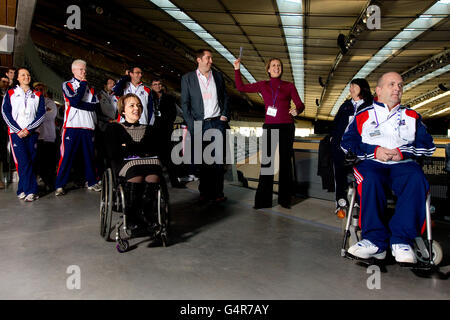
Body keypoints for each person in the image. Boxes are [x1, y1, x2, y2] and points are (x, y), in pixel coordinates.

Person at [341, 72, 436, 264]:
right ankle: (374, 240)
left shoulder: (412, 116)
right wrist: (373, 151)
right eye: (391, 84)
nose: (397, 88)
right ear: (378, 90)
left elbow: (428, 146)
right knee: (371, 178)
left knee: (416, 179)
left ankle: (401, 240)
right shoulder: (363, 115)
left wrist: (404, 152)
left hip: (403, 164)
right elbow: (346, 143)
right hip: (372, 163)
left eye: (400, 85)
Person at [234, 57, 305, 209]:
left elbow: (300, 103)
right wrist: (237, 69)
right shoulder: (263, 85)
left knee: (285, 163)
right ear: (268, 69)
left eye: (279, 65)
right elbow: (240, 87)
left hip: (287, 126)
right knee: (267, 164)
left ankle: (285, 200)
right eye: (273, 65)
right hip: (270, 126)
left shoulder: (289, 86)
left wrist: (297, 110)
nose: (276, 68)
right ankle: (262, 201)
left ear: (281, 69)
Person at [104, 93, 162, 229]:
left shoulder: (149, 129)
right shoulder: (114, 128)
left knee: (155, 168)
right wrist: (140, 150)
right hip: (125, 166)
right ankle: (132, 217)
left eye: (139, 105)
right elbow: (113, 153)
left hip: (147, 164)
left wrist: (128, 148)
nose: (136, 108)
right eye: (132, 105)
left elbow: (156, 150)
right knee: (136, 169)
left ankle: (148, 214)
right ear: (123, 110)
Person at [181, 49, 230, 203]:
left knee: (218, 160)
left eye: (211, 58)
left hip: (217, 122)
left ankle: (218, 193)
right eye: (208, 58)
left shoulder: (217, 76)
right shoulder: (188, 78)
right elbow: (185, 104)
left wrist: (224, 115)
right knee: (203, 161)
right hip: (199, 124)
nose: (211, 61)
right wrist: (191, 125)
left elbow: (225, 97)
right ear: (199, 60)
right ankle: (205, 192)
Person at [54, 59, 101, 196]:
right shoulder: (67, 84)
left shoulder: (91, 88)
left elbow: (95, 107)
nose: (84, 72)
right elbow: (74, 101)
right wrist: (82, 86)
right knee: (67, 156)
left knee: (90, 156)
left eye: (85, 70)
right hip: (72, 126)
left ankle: (92, 182)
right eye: (81, 70)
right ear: (73, 70)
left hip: (88, 126)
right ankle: (60, 185)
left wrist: (79, 103)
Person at [1, 67, 45, 201]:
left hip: (31, 133)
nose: (26, 77)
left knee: (30, 161)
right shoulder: (10, 93)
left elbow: (41, 114)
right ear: (18, 78)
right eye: (23, 75)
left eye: (28, 75)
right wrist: (18, 130)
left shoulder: (37, 95)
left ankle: (22, 188)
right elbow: (5, 113)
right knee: (23, 161)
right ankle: (31, 191)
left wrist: (29, 129)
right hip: (16, 134)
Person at [331, 78, 373, 212]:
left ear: (362, 88)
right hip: (341, 145)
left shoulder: (370, 105)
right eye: (350, 87)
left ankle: (359, 200)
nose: (350, 89)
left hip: (361, 146)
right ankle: (340, 200)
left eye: (353, 86)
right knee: (339, 171)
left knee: (361, 172)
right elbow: (336, 123)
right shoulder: (345, 105)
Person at [151, 78, 184, 188]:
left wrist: (164, 120)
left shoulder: (169, 98)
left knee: (169, 157)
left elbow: (173, 114)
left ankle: (174, 181)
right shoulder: (149, 97)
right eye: (155, 84)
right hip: (152, 130)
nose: (157, 86)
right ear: (152, 86)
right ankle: (153, 181)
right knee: (152, 157)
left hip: (165, 130)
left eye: (159, 84)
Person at [34, 82, 58, 191]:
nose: (39, 90)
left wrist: (36, 115)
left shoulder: (50, 102)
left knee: (49, 162)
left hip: (48, 137)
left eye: (41, 88)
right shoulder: (32, 102)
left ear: (45, 90)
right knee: (39, 162)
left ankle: (51, 184)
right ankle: (41, 182)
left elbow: (50, 116)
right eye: (37, 88)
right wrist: (43, 112)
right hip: (37, 137)